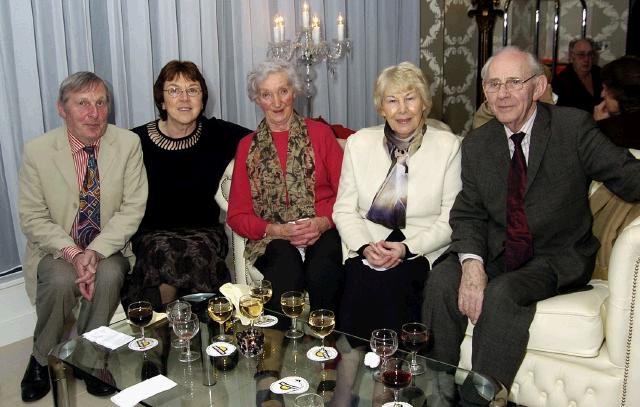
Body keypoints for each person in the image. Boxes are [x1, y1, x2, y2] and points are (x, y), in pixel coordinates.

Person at [422, 46, 640, 403]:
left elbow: (626, 175)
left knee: (503, 293)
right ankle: (437, 392)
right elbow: (468, 212)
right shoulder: (478, 143)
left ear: (537, 87)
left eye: (513, 82)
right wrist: (473, 264)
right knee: (443, 280)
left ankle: (481, 400)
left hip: (555, 255)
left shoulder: (572, 128)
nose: (502, 94)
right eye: (493, 85)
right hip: (498, 248)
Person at [18, 72, 148, 401]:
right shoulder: (38, 151)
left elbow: (132, 208)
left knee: (110, 273)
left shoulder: (128, 144)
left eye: (101, 103)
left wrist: (95, 252)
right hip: (56, 249)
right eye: (83, 104)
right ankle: (39, 357)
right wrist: (73, 253)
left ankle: (90, 358)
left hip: (107, 247)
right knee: (61, 280)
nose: (94, 113)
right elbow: (33, 217)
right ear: (62, 109)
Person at [333, 62, 462, 339]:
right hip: (369, 243)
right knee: (360, 282)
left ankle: (392, 372)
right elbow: (344, 209)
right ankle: (354, 371)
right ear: (381, 108)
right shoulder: (359, 143)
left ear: (424, 104)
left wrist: (406, 249)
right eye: (392, 101)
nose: (402, 110)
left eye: (410, 98)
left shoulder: (448, 146)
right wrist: (365, 247)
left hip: (420, 247)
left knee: (395, 285)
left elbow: (452, 218)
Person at [120, 60, 251, 310]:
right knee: (162, 250)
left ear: (202, 98)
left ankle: (186, 325)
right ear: (161, 100)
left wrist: (331, 136)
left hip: (205, 232)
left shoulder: (218, 134)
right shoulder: (136, 141)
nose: (184, 98)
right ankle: (172, 325)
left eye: (192, 90)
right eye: (174, 90)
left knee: (198, 251)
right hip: (152, 234)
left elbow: (268, 135)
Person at [227, 59, 344, 314]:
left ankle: (326, 343)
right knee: (285, 272)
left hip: (321, 229)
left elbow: (347, 194)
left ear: (295, 91)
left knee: (322, 269)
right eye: (267, 95)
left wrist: (323, 222)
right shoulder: (247, 146)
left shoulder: (321, 135)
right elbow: (236, 215)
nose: (277, 103)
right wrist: (274, 229)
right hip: (272, 237)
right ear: (257, 99)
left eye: (283, 91)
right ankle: (282, 346)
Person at [593, 55, 640, 149]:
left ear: (619, 92)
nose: (602, 95)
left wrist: (601, 125)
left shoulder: (618, 133)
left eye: (605, 89)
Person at [551, 37, 603, 113]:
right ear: (572, 56)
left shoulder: (600, 73)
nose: (586, 59)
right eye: (581, 54)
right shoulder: (560, 82)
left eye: (590, 54)